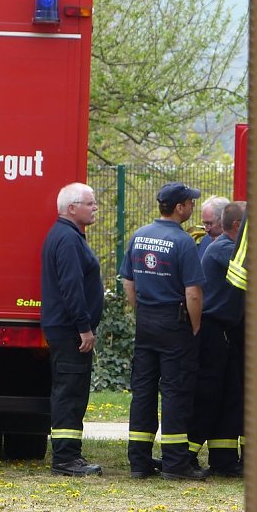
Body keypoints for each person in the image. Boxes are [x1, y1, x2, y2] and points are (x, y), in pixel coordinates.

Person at [119, 181, 207, 480]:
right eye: (190, 202)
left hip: (146, 320)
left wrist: (141, 311)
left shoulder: (139, 236)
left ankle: (139, 463)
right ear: (179, 207)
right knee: (175, 392)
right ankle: (174, 464)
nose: (193, 206)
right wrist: (194, 326)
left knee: (142, 391)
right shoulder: (183, 242)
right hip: (175, 323)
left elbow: (128, 283)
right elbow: (193, 293)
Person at [40, 183, 104, 477]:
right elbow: (71, 287)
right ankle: (66, 459)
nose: (95, 208)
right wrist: (84, 328)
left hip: (66, 329)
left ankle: (69, 455)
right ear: (71, 208)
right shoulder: (67, 239)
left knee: (71, 391)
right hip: (70, 331)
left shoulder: (68, 236)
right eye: (90, 203)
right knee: (70, 393)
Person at [188, 201, 249, 477]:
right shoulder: (225, 250)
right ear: (238, 226)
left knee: (229, 396)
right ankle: (184, 455)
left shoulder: (228, 247)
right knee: (207, 395)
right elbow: (254, 272)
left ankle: (224, 460)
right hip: (213, 330)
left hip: (226, 332)